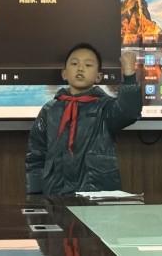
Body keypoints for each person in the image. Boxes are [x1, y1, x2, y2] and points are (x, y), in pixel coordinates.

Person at [25, 43, 142, 195]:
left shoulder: (105, 107)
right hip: (56, 195)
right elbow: (35, 156)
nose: (80, 69)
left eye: (88, 65)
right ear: (64, 73)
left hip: (97, 194)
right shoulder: (49, 110)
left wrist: (129, 74)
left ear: (98, 76)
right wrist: (34, 196)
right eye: (74, 64)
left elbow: (129, 112)